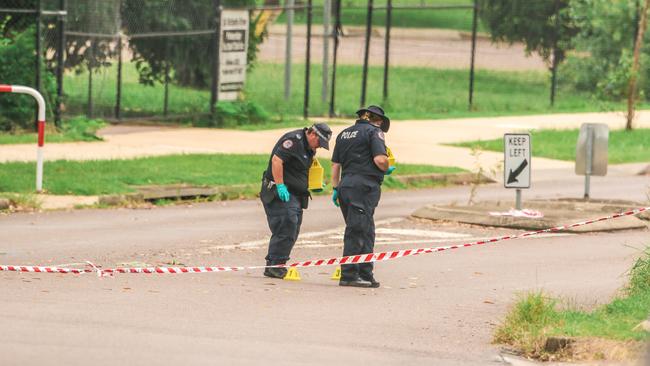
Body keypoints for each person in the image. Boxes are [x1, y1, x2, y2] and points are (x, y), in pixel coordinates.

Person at [330, 105, 395, 288]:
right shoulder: (374, 132)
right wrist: (386, 167)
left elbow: (335, 165)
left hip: (346, 185)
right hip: (364, 186)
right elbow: (380, 159)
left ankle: (366, 273)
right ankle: (349, 275)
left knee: (366, 230)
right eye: (381, 121)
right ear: (378, 120)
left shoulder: (344, 134)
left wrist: (336, 188)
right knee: (358, 230)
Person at [260, 123, 333, 278]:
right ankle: (274, 265)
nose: (319, 147)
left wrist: (314, 182)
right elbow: (276, 161)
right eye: (319, 142)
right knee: (287, 224)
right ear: (312, 134)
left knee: (293, 228)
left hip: (296, 194)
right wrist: (280, 186)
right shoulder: (293, 141)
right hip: (280, 191)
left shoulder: (308, 147)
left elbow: (300, 167)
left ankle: (277, 263)